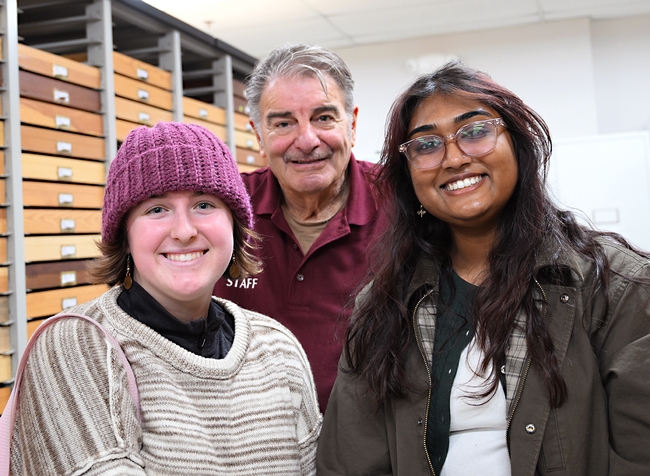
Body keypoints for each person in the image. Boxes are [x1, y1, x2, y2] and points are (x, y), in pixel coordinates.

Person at [316, 63, 650, 475]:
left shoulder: (615, 287)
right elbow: (349, 463)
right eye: (426, 145)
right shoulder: (385, 304)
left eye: (475, 132)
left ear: (518, 145)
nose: (454, 158)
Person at [9, 122, 321, 475]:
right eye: (157, 209)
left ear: (234, 225)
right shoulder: (76, 346)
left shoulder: (278, 349)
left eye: (204, 204)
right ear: (124, 235)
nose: (185, 231)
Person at [213, 43, 388, 411]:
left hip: (372, 443)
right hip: (249, 437)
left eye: (324, 118)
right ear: (259, 135)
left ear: (352, 124)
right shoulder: (223, 209)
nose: (307, 141)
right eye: (283, 123)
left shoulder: (402, 203)